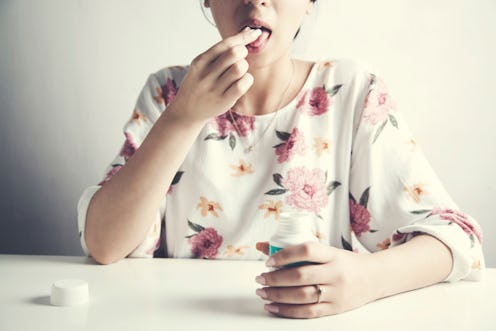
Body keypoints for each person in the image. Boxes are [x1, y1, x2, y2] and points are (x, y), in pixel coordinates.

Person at [77, 0, 484, 319]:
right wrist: (183, 117)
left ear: (309, 2)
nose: (255, 1)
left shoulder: (350, 91)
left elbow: (455, 238)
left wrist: (365, 279)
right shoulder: (168, 92)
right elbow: (104, 244)